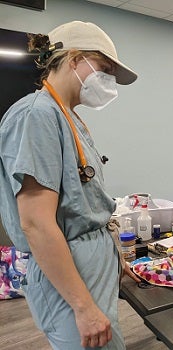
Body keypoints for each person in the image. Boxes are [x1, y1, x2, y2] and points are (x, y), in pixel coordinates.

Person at [0, 21, 139, 349]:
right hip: (68, 269)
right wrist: (84, 307)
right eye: (104, 68)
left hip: (90, 261)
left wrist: (112, 258)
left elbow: (84, 202)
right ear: (75, 59)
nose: (108, 81)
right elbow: (36, 223)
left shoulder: (67, 117)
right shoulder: (36, 116)